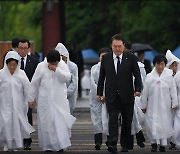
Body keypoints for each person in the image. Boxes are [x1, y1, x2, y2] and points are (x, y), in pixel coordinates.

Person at [97, 34, 142, 153]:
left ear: (124, 46)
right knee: (112, 119)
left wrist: (138, 89)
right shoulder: (106, 58)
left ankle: (125, 145)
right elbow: (102, 77)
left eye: (119, 46)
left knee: (127, 120)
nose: (117, 49)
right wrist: (99, 93)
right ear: (111, 46)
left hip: (127, 94)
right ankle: (112, 143)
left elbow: (137, 74)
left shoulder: (130, 57)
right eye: (114, 46)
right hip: (111, 94)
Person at [28, 49, 76, 152]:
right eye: (52, 63)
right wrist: (31, 98)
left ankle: (60, 145)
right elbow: (34, 83)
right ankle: (48, 146)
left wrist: (56, 69)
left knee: (60, 123)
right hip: (45, 101)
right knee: (46, 124)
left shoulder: (62, 65)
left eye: (56, 62)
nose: (55, 64)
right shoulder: (41, 66)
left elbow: (67, 78)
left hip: (59, 101)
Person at [141, 54, 178, 152]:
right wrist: (143, 105)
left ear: (165, 64)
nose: (160, 67)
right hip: (152, 105)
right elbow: (145, 92)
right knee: (153, 123)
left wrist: (174, 103)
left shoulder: (169, 76)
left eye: (162, 64)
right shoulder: (149, 77)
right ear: (154, 65)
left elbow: (173, 90)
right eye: (158, 64)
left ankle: (163, 144)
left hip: (165, 105)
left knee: (164, 123)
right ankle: (154, 143)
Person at [0, 51, 35, 151]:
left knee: (16, 124)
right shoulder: (1, 74)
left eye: (14, 65)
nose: (12, 67)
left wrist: (30, 99)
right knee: (6, 123)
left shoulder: (21, 74)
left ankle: (15, 144)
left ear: (18, 64)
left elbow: (28, 88)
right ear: (6, 64)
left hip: (18, 104)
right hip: (4, 103)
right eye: (10, 65)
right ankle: (7, 143)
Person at [17, 38, 39, 150]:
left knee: (28, 115)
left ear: (28, 48)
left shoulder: (34, 61)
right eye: (21, 48)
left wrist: (33, 97)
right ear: (17, 48)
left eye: (25, 48)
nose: (23, 51)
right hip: (15, 92)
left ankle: (27, 140)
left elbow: (36, 80)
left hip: (28, 93)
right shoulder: (12, 60)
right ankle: (16, 138)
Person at [90, 47, 111, 150]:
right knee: (97, 119)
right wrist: (99, 94)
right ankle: (98, 142)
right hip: (96, 98)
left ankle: (109, 140)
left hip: (108, 98)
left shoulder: (112, 68)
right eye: (101, 56)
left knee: (108, 119)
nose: (103, 58)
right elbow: (93, 83)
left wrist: (105, 95)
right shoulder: (94, 68)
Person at [55, 43, 78, 114]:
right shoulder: (53, 67)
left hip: (69, 97)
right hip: (56, 96)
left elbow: (74, 83)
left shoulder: (73, 66)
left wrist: (65, 93)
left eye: (63, 57)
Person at [166, 49, 180, 150]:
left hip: (176, 102)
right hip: (172, 102)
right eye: (172, 65)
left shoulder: (176, 76)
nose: (174, 67)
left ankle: (174, 141)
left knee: (176, 121)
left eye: (176, 65)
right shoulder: (169, 75)